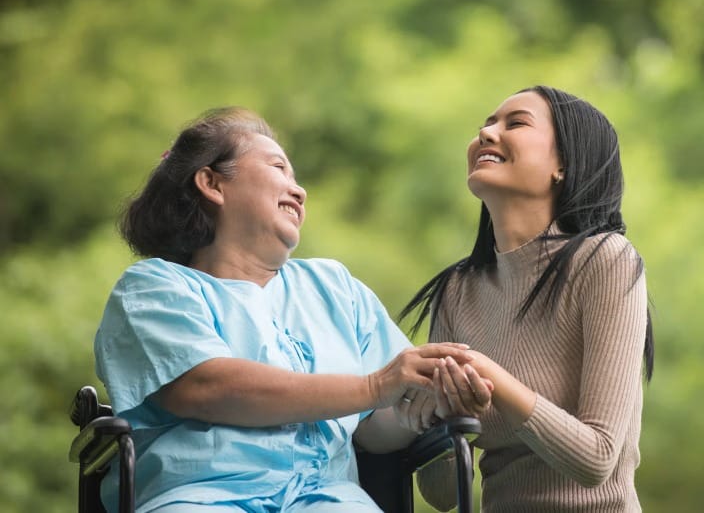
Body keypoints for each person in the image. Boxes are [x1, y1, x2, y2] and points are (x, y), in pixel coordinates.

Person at [93, 106, 477, 513]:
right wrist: (375, 386)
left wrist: (427, 405)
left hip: (327, 498)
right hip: (201, 495)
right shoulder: (154, 288)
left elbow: (374, 431)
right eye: (279, 168)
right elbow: (208, 388)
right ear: (212, 183)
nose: (299, 191)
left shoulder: (335, 288)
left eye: (296, 178)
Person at [397, 86, 654, 512]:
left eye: (514, 123)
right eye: (485, 123)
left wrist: (490, 377)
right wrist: (441, 415)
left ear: (563, 165)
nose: (486, 132)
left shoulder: (606, 261)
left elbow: (596, 458)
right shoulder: (458, 290)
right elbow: (442, 497)